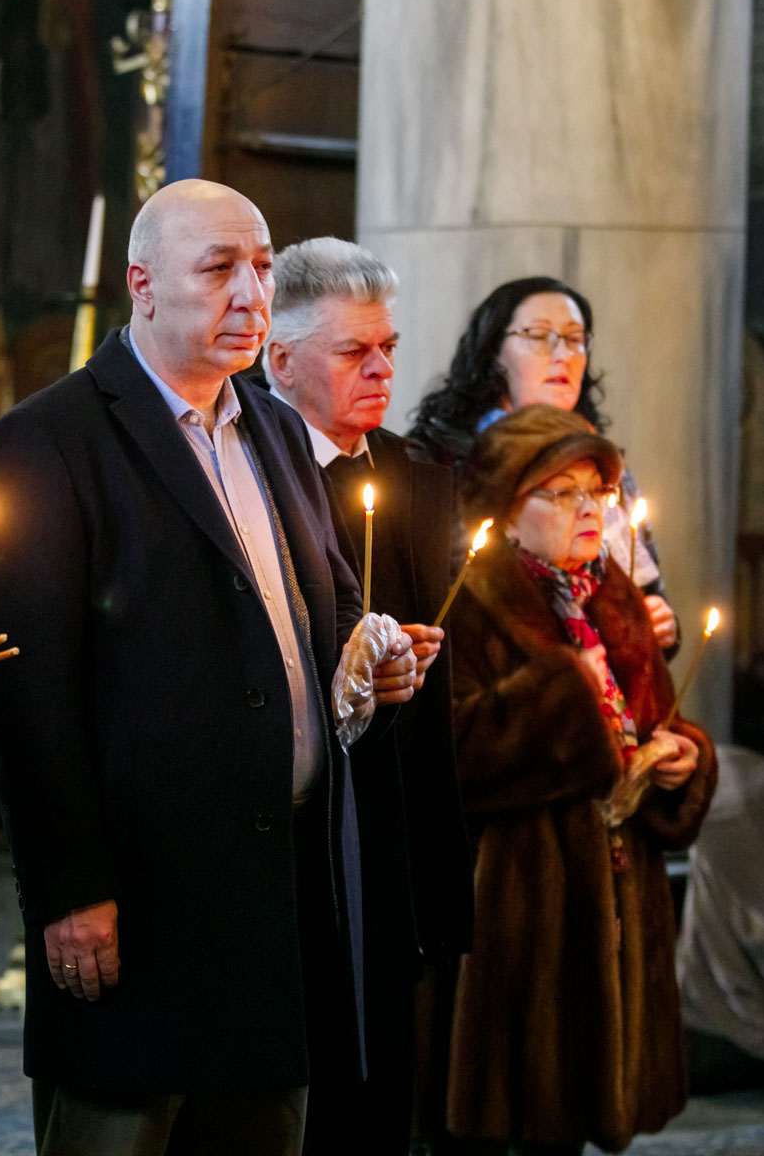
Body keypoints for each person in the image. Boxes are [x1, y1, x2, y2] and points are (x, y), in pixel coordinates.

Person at [0, 179, 421, 1156]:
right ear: (142, 283)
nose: (252, 293)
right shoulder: (53, 439)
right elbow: (28, 696)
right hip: (140, 899)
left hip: (278, 894)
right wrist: (69, 888)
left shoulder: (270, 426)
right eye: (220, 269)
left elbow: (327, 607)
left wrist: (368, 664)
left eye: (261, 267)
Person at [431, 405, 715, 1154]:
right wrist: (563, 693)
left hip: (620, 898)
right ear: (507, 507)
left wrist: (681, 757)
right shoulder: (470, 598)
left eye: (596, 491)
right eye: (560, 493)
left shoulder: (612, 592)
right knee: (511, 1125)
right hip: (524, 911)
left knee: (578, 1125)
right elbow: (451, 754)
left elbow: (648, 719)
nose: (587, 509)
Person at [261, 237, 474, 1156]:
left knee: (382, 1096)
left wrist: (414, 662)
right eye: (355, 352)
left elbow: (440, 689)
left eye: (388, 345)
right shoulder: (250, 473)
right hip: (291, 832)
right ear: (280, 359)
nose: (383, 367)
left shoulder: (419, 482)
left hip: (393, 824)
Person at [409, 277, 679, 651]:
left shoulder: (603, 460)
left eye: (574, 338)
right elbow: (436, 595)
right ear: (493, 352)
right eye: (539, 336)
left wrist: (656, 621)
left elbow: (645, 582)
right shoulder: (440, 458)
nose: (563, 353)